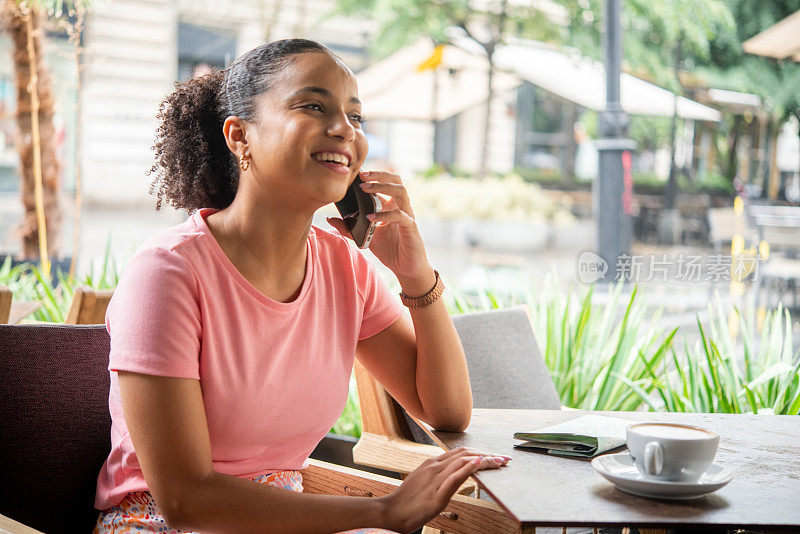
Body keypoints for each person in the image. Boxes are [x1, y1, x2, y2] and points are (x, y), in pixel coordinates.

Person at [93, 38, 509, 534]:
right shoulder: (167, 273)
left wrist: (416, 276)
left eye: (356, 117)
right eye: (314, 106)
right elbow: (186, 499)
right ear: (239, 136)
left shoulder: (343, 268)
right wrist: (385, 511)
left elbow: (446, 410)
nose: (344, 130)